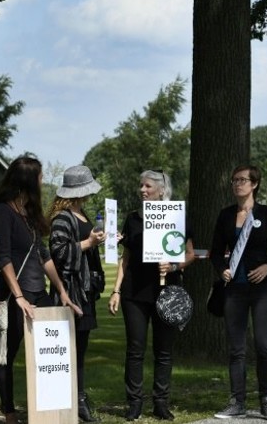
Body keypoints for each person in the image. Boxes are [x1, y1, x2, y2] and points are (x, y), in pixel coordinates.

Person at [0, 156, 80, 424]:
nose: (42, 180)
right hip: (15, 294)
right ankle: (9, 411)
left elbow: (43, 254)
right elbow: (3, 258)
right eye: (40, 176)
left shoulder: (30, 211)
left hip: (39, 291)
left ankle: (48, 408)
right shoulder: (2, 211)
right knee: (7, 354)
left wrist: (62, 291)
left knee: (49, 349)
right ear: (28, 180)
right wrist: (20, 297)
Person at [108, 170, 195, 421]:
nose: (142, 190)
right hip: (134, 293)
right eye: (141, 186)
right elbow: (126, 258)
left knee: (164, 351)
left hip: (167, 293)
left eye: (147, 186)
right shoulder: (133, 219)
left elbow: (189, 254)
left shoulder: (177, 216)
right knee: (135, 350)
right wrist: (116, 290)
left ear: (161, 190)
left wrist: (174, 266)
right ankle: (134, 403)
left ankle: (160, 403)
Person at [210, 165, 267, 420]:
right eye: (234, 180)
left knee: (263, 345)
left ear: (254, 184)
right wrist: (222, 270)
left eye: (242, 180)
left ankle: (266, 400)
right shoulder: (225, 215)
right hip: (234, 290)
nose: (237, 184)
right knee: (236, 349)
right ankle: (237, 402)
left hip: (263, 290)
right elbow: (215, 251)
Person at [48, 165, 105, 423]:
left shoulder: (82, 213)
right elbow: (58, 253)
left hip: (85, 290)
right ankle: (72, 400)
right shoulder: (63, 217)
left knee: (79, 349)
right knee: (69, 349)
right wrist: (88, 243)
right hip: (71, 291)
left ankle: (78, 397)